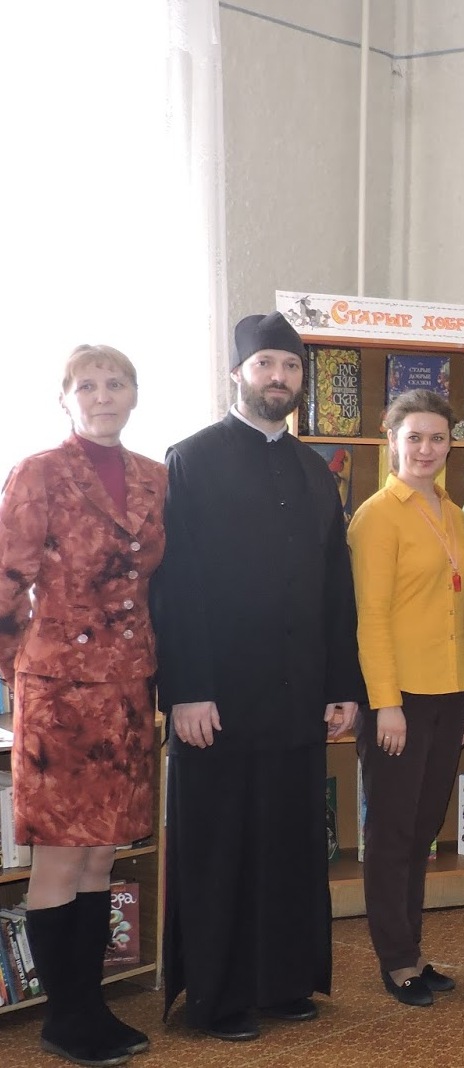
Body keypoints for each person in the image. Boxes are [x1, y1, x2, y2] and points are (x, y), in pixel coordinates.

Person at [154, 312, 363, 1041]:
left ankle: (282, 982)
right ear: (237, 373)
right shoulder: (191, 459)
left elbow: (336, 588)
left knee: (290, 843)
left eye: (291, 366)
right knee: (222, 848)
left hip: (298, 695)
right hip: (217, 698)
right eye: (266, 364)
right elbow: (176, 584)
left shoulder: (315, 471)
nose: (279, 377)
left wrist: (343, 685)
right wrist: (187, 689)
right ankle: (218, 998)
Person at [0, 345, 165, 1066]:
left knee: (102, 856)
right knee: (61, 861)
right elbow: (6, 580)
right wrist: (22, 676)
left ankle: (91, 1006)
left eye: (116, 383)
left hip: (127, 691)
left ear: (135, 394)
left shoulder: (155, 477)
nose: (103, 395)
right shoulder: (38, 472)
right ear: (65, 399)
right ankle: (64, 1018)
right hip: (60, 694)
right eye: (88, 385)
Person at [347, 389, 464, 1007]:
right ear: (392, 440)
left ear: (450, 444)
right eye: (415, 437)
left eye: (437, 438)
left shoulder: (452, 510)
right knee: (393, 832)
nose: (427, 449)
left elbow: (459, 610)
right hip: (398, 697)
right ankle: (396, 958)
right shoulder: (377, 516)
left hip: (449, 690)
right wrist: (386, 703)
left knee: (424, 828)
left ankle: (415, 950)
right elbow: (370, 617)